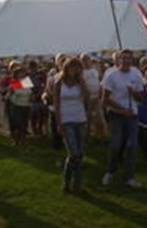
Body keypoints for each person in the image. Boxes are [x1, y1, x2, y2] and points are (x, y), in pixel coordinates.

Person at [101, 49, 145, 188]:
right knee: (116, 144)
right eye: (124, 58)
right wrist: (121, 110)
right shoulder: (111, 76)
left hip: (132, 114)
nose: (126, 61)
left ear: (132, 60)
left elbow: (141, 98)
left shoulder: (136, 75)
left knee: (132, 145)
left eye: (129, 58)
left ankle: (129, 177)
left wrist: (135, 93)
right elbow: (105, 99)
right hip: (116, 114)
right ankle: (110, 171)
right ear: (119, 60)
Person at [54, 58, 89, 193]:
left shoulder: (81, 83)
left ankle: (76, 184)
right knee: (73, 153)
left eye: (78, 68)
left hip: (80, 119)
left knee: (80, 154)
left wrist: (82, 82)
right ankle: (67, 180)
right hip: (66, 120)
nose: (75, 70)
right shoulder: (59, 83)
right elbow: (57, 105)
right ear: (66, 69)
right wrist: (58, 122)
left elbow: (87, 98)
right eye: (72, 67)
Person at [81, 53, 106, 138]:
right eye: (84, 59)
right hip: (87, 99)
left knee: (99, 117)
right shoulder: (81, 73)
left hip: (97, 97)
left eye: (87, 59)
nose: (86, 61)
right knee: (87, 118)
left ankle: (101, 135)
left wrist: (100, 92)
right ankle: (87, 136)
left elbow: (100, 81)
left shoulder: (95, 71)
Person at [7, 67, 32, 146]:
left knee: (24, 124)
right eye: (20, 73)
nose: (22, 74)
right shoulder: (14, 82)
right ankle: (16, 140)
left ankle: (23, 140)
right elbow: (16, 93)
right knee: (18, 124)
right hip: (17, 105)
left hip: (26, 105)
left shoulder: (26, 81)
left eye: (23, 72)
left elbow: (29, 92)